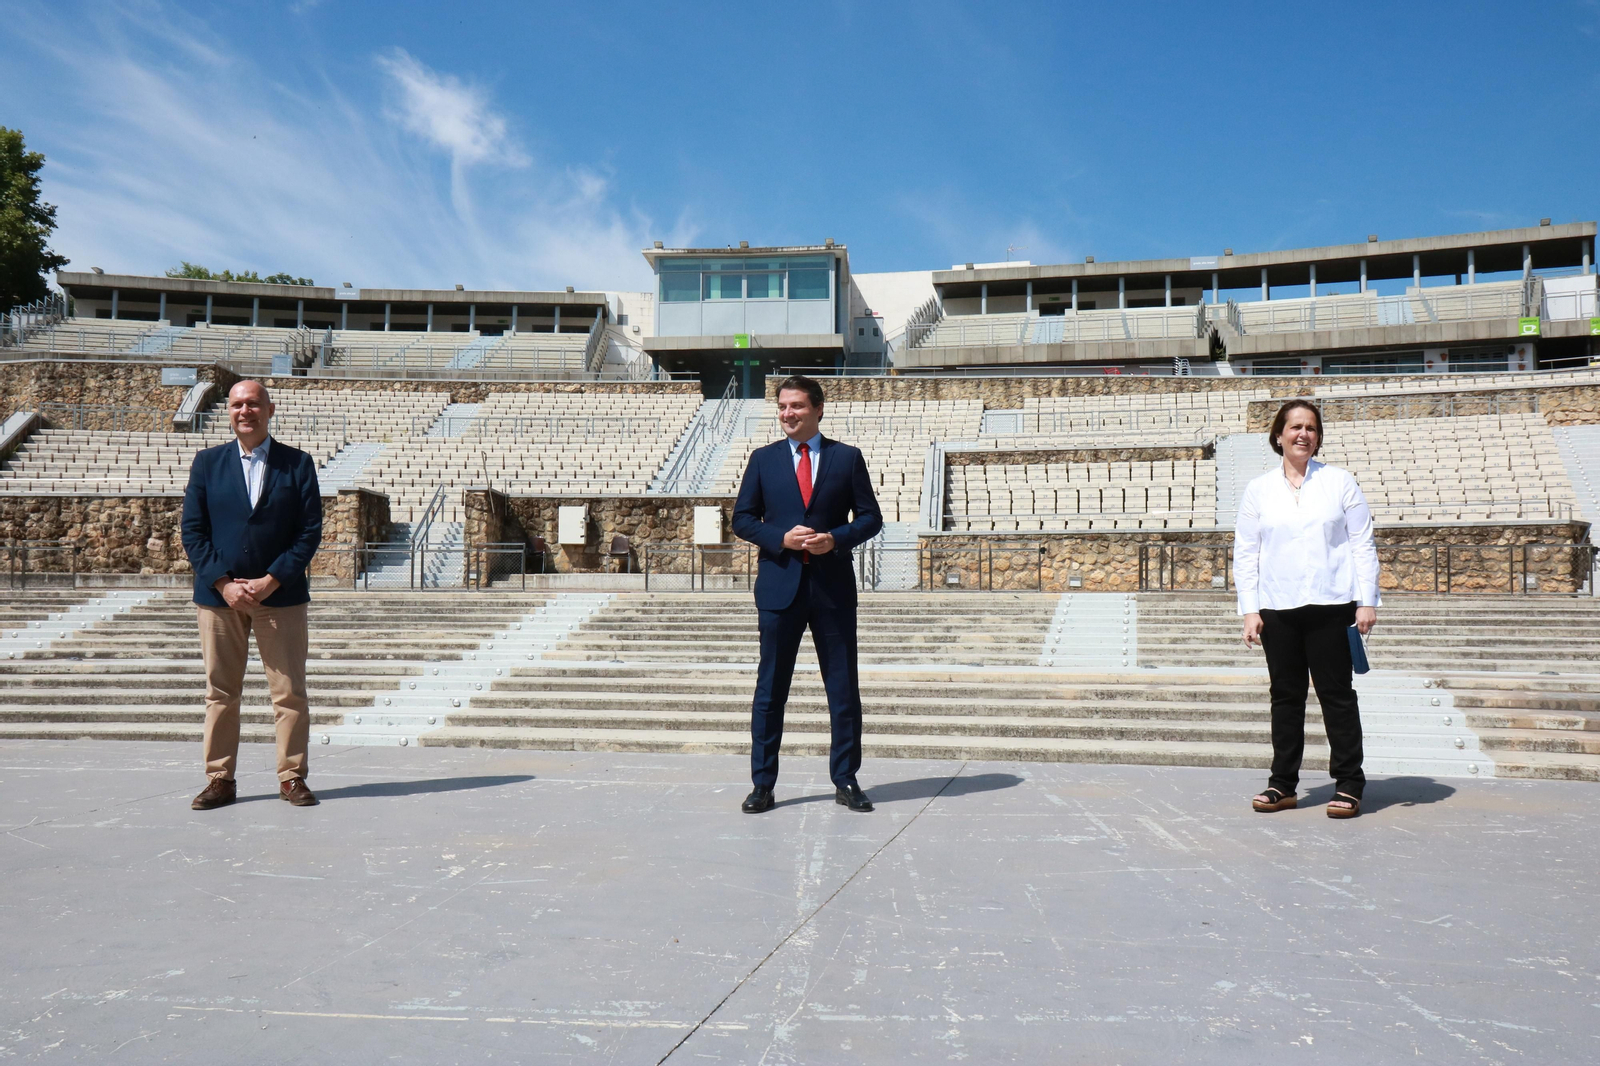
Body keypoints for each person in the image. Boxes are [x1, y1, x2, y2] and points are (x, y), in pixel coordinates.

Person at [732, 375, 883, 814]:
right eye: (782, 406)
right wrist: (781, 538)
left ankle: (846, 780)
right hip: (779, 589)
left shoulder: (846, 458)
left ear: (818, 409)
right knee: (770, 691)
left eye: (796, 405)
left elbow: (870, 518)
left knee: (843, 690)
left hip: (832, 590)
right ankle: (762, 785)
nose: (788, 413)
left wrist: (835, 539)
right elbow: (742, 519)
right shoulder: (762, 460)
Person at [181, 380, 323, 810]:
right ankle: (220, 779)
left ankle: (292, 777)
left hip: (279, 597)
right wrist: (224, 583)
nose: (246, 411)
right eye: (238, 404)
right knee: (221, 692)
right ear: (229, 411)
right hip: (219, 599)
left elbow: (308, 532)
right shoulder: (207, 463)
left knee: (290, 692)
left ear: (269, 410)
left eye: (254, 404)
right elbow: (193, 531)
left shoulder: (297, 464)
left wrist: (271, 580)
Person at [1234, 398, 1379, 820]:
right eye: (1295, 427)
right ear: (1278, 436)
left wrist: (1366, 600)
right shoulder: (1259, 490)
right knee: (1285, 696)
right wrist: (1250, 610)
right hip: (1277, 607)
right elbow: (1246, 552)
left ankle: (1349, 784)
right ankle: (1282, 784)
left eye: (1311, 428)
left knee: (1337, 696)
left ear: (1318, 437)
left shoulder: (1339, 482)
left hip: (1332, 604)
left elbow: (1361, 543)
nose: (1303, 434)